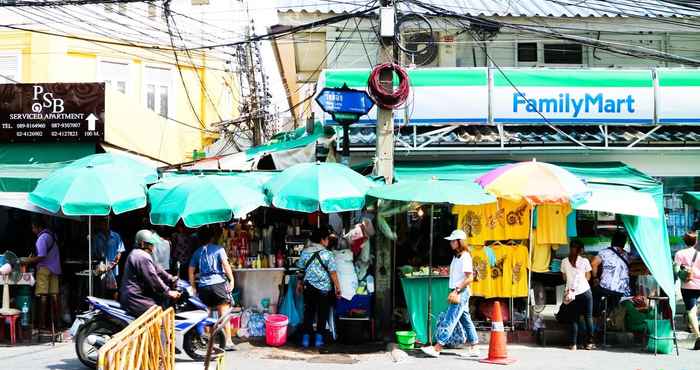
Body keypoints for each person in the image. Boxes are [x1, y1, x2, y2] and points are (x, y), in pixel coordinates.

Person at [420, 229, 479, 358]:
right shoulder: (457, 256)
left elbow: (470, 278)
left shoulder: (465, 256)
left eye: (453, 240)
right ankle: (475, 345)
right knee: (465, 320)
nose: (451, 243)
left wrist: (457, 290)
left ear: (459, 242)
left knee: (449, 319)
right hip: (458, 291)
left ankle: (437, 347)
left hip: (460, 292)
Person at [189, 225, 236, 351]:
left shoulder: (197, 252)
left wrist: (193, 286)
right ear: (211, 237)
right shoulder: (219, 249)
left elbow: (191, 270)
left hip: (204, 286)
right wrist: (231, 280)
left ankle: (207, 341)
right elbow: (226, 265)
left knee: (206, 313)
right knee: (224, 312)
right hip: (218, 284)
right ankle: (228, 341)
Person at [296, 226, 341, 348]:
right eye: (327, 239)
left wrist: (299, 284)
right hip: (324, 290)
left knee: (309, 313)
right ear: (322, 240)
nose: (327, 242)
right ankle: (319, 340)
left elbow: (300, 271)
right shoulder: (328, 254)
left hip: (308, 288)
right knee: (322, 314)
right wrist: (338, 287)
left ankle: (305, 340)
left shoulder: (305, 253)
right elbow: (333, 273)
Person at [119, 229, 180, 318]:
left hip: (135, 295)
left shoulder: (140, 254)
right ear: (143, 244)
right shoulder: (141, 256)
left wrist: (170, 278)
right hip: (134, 297)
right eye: (151, 244)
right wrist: (168, 291)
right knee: (157, 313)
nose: (153, 246)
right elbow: (152, 278)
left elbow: (157, 268)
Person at [23, 216, 61, 332]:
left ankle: (42, 325)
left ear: (38, 227)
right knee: (54, 296)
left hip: (44, 269)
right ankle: (56, 323)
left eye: (33, 228)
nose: (33, 230)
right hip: (55, 269)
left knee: (42, 296)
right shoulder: (52, 235)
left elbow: (41, 256)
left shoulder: (41, 238)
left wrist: (27, 260)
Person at [560, 239, 595, 351]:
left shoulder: (564, 261)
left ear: (570, 248)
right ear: (581, 250)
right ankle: (589, 343)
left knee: (574, 319)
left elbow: (564, 278)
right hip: (585, 292)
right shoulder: (585, 261)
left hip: (572, 294)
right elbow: (588, 277)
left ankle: (574, 344)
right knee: (588, 317)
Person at [591, 231, 630, 318]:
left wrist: (595, 278)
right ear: (623, 243)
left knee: (595, 292)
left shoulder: (605, 252)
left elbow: (593, 263)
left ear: (613, 241)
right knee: (613, 298)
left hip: (606, 288)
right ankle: (608, 314)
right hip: (621, 290)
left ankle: (596, 315)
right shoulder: (627, 255)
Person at [674, 231, 700, 350]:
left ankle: (698, 335)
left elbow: (675, 270)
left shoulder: (680, 253)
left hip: (688, 286)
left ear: (685, 241)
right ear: (696, 241)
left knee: (691, 311)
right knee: (696, 309)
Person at [92, 218, 125, 299]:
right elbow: (94, 254)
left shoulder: (116, 236)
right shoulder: (97, 238)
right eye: (103, 222)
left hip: (113, 269)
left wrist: (113, 263)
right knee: (101, 291)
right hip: (101, 269)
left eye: (107, 222)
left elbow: (120, 251)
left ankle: (114, 308)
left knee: (114, 290)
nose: (105, 225)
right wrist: (102, 264)